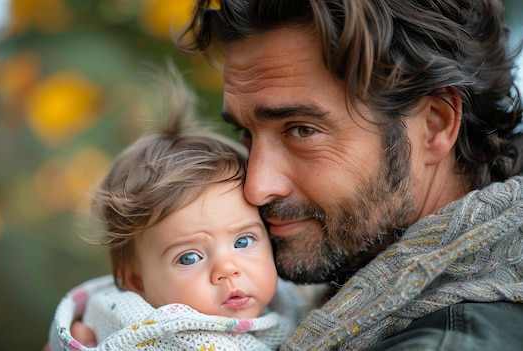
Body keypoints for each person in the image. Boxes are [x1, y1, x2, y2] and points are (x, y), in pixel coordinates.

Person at [53, 0, 523, 349]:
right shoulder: (341, 297)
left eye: (301, 129)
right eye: (246, 135)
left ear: (435, 124)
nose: (256, 186)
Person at [47, 66, 307, 351]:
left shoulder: (291, 299)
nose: (227, 268)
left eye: (243, 241)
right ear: (136, 281)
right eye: (189, 258)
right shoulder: (159, 336)